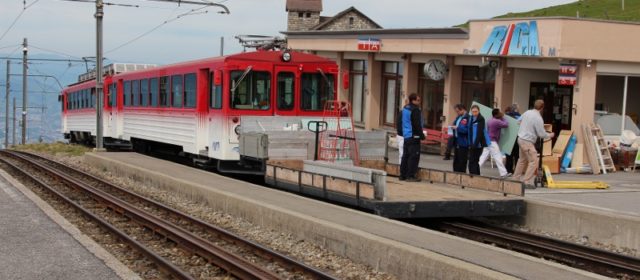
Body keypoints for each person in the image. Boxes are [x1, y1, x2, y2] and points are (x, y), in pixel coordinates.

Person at [513, 100, 554, 187]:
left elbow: (518, 121)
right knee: (534, 161)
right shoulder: (538, 118)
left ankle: (515, 179)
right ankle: (526, 181)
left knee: (522, 160)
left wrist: (525, 127)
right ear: (542, 108)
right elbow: (541, 134)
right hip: (528, 141)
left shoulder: (527, 112)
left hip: (520, 138)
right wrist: (550, 135)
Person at [399, 93, 426, 182]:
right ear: (413, 100)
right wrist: (421, 135)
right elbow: (416, 124)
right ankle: (410, 176)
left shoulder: (405, 108)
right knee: (413, 156)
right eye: (418, 100)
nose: (419, 102)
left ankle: (402, 175)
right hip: (414, 136)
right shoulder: (415, 110)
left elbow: (400, 121)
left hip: (406, 136)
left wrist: (401, 133)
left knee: (405, 156)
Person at [479, 108, 511, 177]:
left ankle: (475, 170)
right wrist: (503, 117)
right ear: (496, 114)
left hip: (487, 140)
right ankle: (504, 173)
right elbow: (506, 124)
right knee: (498, 157)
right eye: (499, 113)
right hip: (492, 142)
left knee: (483, 157)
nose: (501, 113)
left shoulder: (489, 120)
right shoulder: (497, 121)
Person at [467, 105, 490, 175]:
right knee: (472, 160)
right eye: (473, 111)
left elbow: (480, 133)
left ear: (479, 111)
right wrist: (470, 143)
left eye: (476, 111)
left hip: (478, 143)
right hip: (471, 142)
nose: (474, 113)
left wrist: (475, 144)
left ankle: (474, 175)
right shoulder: (471, 118)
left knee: (474, 160)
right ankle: (475, 174)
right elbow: (470, 131)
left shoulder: (481, 119)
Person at [451, 104, 470, 173]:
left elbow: (466, 130)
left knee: (462, 159)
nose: (457, 113)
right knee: (456, 159)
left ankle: (461, 174)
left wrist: (457, 128)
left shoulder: (467, 117)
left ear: (463, 109)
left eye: (458, 111)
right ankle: (455, 172)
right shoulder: (459, 117)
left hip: (463, 141)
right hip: (457, 140)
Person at [396, 97, 409, 165]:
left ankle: (403, 169)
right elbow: (399, 126)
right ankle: (402, 170)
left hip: (403, 136)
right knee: (403, 154)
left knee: (404, 154)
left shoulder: (404, 112)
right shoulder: (403, 113)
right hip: (403, 136)